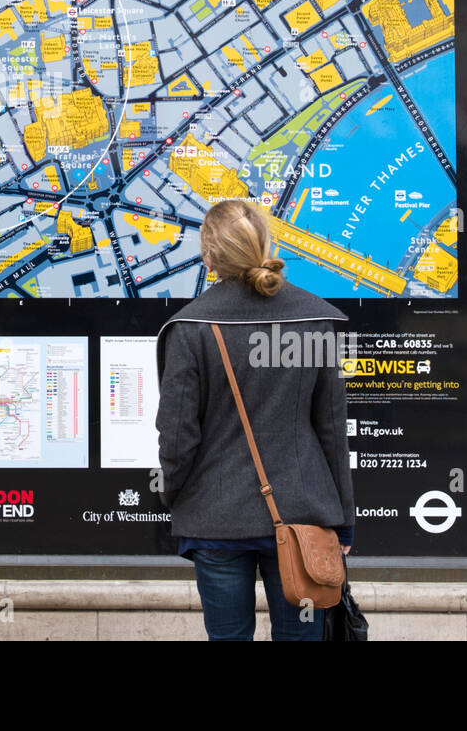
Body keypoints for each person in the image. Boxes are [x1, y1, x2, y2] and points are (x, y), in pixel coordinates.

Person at [155, 199, 354, 641]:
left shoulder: (190, 329)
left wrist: (173, 495)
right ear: (266, 244)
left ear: (209, 258)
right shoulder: (314, 321)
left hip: (215, 518)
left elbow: (177, 436)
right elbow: (332, 431)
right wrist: (343, 520)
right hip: (304, 515)